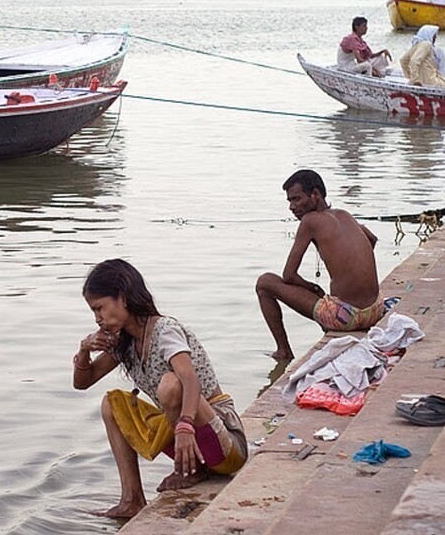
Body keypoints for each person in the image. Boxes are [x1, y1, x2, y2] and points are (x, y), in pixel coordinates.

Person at [73, 259, 248, 519]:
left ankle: (192, 470)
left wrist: (186, 425)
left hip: (225, 444)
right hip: (189, 442)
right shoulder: (125, 342)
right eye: (93, 312)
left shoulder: (164, 330)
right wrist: (84, 349)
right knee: (112, 403)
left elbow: (189, 380)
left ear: (122, 298)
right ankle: (131, 499)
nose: (98, 319)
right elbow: (82, 382)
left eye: (100, 308)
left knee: (171, 383)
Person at [256, 170, 383, 361]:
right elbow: (371, 239)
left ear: (315, 195)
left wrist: (313, 288)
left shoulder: (310, 221)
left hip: (348, 317)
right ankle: (329, 320)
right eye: (290, 201)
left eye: (297, 199)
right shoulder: (344, 214)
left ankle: (283, 352)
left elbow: (289, 275)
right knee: (323, 297)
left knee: (265, 283)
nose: (292, 207)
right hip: (375, 310)